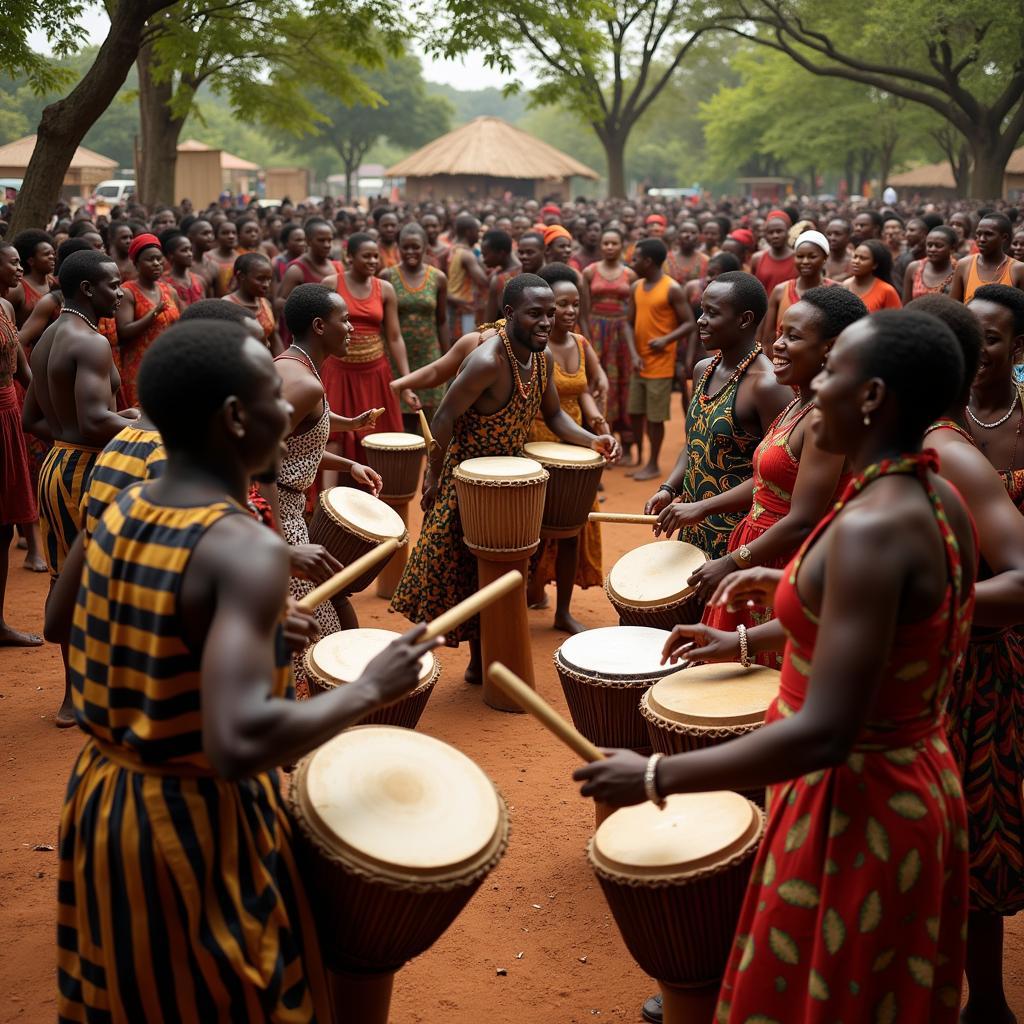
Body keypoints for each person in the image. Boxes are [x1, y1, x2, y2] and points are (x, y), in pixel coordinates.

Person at [579, 310, 976, 1024]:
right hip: (910, 786)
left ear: (873, 397)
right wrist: (763, 627)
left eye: (833, 372)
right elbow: (893, 642)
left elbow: (825, 732)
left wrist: (651, 775)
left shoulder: (872, 528)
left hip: (857, 808)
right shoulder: (927, 491)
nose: (816, 386)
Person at [54, 318, 439, 1022]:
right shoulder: (247, 550)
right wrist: (367, 689)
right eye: (277, 399)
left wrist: (234, 633)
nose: (291, 413)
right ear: (236, 419)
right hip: (191, 828)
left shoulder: (123, 507)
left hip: (106, 806)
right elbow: (238, 743)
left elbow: (68, 621)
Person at [390, 273, 620, 682]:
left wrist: (594, 439)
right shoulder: (486, 362)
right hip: (469, 480)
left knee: (506, 570)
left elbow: (554, 416)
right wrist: (434, 480)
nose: (547, 322)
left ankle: (486, 662)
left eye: (550, 314)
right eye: (536, 314)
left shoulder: (542, 358)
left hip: (514, 477)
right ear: (510, 313)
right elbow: (443, 417)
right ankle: (469, 662)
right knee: (464, 571)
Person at [908, 293, 1024, 1024]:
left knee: (974, 850)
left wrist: (922, 621)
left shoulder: (950, 455)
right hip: (931, 675)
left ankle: (987, 1004)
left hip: (973, 673)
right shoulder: (910, 446)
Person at [661, 287, 866, 661]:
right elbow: (769, 482)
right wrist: (702, 508)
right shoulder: (799, 405)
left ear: (830, 348)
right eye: (780, 333)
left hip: (784, 559)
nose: (778, 346)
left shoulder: (826, 418)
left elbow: (804, 520)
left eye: (793, 336)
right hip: (759, 550)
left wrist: (732, 561)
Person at [22, 249, 141, 725]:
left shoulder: (52, 334)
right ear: (88, 290)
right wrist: (140, 426)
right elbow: (94, 421)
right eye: (113, 285)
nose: (121, 291)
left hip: (58, 468)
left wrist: (76, 437)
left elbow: (34, 418)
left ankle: (78, 694)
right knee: (105, 582)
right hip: (91, 472)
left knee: (65, 579)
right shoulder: (89, 342)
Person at [266, 284, 384, 671]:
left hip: (285, 511)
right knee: (314, 630)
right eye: (344, 320)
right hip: (279, 516)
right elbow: (259, 458)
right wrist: (279, 539)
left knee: (329, 608)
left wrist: (348, 465)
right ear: (319, 325)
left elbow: (299, 442)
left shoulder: (293, 366)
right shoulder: (304, 381)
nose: (352, 328)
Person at [646, 271, 792, 563]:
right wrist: (670, 487)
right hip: (694, 525)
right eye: (702, 310)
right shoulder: (703, 369)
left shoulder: (768, 386)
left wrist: (704, 507)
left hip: (738, 537)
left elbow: (773, 475)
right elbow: (695, 444)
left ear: (744, 319)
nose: (700, 320)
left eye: (712, 313)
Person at [526, 264, 607, 633]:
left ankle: (563, 611)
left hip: (575, 446)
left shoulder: (582, 344)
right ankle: (532, 586)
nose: (571, 311)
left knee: (573, 527)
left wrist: (597, 423)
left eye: (575, 304)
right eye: (562, 304)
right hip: (535, 442)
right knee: (533, 528)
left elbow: (584, 391)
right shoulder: (533, 345)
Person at [322, 234, 417, 465]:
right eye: (367, 256)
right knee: (334, 437)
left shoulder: (385, 289)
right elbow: (321, 330)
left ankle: (376, 494)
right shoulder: (331, 284)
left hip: (375, 373)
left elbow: (394, 337)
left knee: (378, 436)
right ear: (350, 257)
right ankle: (328, 499)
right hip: (339, 372)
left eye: (376, 256)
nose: (373, 261)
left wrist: (406, 382)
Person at [624, 238, 694, 481]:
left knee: (654, 417)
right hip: (639, 363)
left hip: (661, 365)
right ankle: (639, 457)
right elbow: (628, 323)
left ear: (648, 261)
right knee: (635, 412)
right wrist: (633, 353)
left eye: (635, 259)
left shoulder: (672, 288)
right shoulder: (636, 287)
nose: (631, 263)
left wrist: (666, 340)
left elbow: (689, 323)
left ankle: (653, 463)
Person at [0, 242, 42, 646]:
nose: (18, 268)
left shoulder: (7, 307)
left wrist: (43, 409)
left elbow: (23, 367)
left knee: (4, 523)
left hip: (9, 414)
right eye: (11, 262)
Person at [382, 224, 450, 430]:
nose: (410, 252)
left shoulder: (438, 278)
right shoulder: (387, 276)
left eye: (416, 247)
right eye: (405, 247)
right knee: (402, 420)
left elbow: (441, 320)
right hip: (397, 356)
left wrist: (448, 359)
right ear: (398, 248)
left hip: (429, 355)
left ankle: (430, 461)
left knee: (431, 418)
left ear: (425, 247)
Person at [965, 284, 1024, 505]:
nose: (975, 348)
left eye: (990, 339)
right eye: (969, 335)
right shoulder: (940, 411)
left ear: (1017, 346)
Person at [584, 227, 637, 460]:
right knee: (596, 384)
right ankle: (601, 440)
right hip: (596, 331)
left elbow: (633, 313)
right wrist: (587, 340)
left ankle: (625, 442)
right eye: (605, 243)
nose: (609, 247)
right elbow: (583, 311)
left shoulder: (630, 275)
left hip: (621, 335)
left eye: (614, 243)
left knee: (622, 385)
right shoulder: (589, 272)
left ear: (622, 245)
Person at [116, 233, 183, 409]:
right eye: (150, 260)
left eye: (159, 259)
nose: (156, 264)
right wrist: (153, 313)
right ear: (137, 263)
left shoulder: (169, 291)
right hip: (139, 367)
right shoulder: (128, 292)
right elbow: (123, 331)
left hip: (168, 364)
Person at [758, 229, 836, 351]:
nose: (805, 261)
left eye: (812, 256)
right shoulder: (780, 291)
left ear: (825, 257)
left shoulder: (835, 291)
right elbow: (768, 338)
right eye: (800, 256)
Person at [951, 213, 1024, 303]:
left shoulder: (1018, 269)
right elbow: (953, 307)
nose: (981, 239)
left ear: (1004, 237)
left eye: (988, 234)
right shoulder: (964, 265)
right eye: (978, 234)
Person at [224, 251, 282, 354]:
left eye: (269, 279)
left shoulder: (266, 304)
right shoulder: (226, 306)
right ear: (241, 276)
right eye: (260, 279)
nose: (266, 285)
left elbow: (274, 339)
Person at [447, 214, 490, 337]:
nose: (479, 235)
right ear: (468, 232)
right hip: (465, 306)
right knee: (466, 345)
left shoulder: (452, 249)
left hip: (454, 302)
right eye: (477, 231)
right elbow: (483, 281)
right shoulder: (467, 255)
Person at [9, 229, 55, 327]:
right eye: (47, 254)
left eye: (53, 254)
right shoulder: (18, 289)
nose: (52, 257)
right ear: (31, 261)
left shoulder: (54, 283)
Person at [901, 225, 958, 303]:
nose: (932, 249)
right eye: (929, 245)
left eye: (939, 246)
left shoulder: (958, 270)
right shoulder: (914, 268)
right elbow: (906, 305)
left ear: (952, 248)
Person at [842, 239, 902, 312]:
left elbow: (896, 320)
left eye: (863, 258)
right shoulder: (845, 286)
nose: (856, 261)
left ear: (875, 264)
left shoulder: (886, 291)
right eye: (855, 257)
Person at [751, 212, 795, 296]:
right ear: (765, 235)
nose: (775, 236)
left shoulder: (798, 259)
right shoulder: (757, 259)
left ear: (788, 232)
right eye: (771, 232)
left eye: (779, 231)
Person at [482, 229, 522, 324]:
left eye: (485, 255)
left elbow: (489, 322)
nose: (484, 260)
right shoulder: (499, 272)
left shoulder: (499, 280)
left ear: (501, 254)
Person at [161, 231, 206, 307]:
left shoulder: (200, 280)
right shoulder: (163, 284)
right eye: (184, 250)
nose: (190, 254)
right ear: (171, 255)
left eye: (190, 250)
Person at [665, 220, 709, 284]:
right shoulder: (665, 259)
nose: (688, 235)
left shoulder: (705, 260)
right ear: (677, 235)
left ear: (699, 236)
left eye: (693, 233)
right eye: (684, 232)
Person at [204, 217, 239, 297]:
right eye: (225, 233)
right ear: (216, 236)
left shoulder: (240, 258)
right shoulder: (207, 258)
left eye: (234, 233)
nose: (231, 236)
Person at [105, 219, 136, 284]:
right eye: (124, 238)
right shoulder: (105, 264)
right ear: (112, 239)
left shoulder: (137, 263)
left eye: (131, 237)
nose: (129, 241)